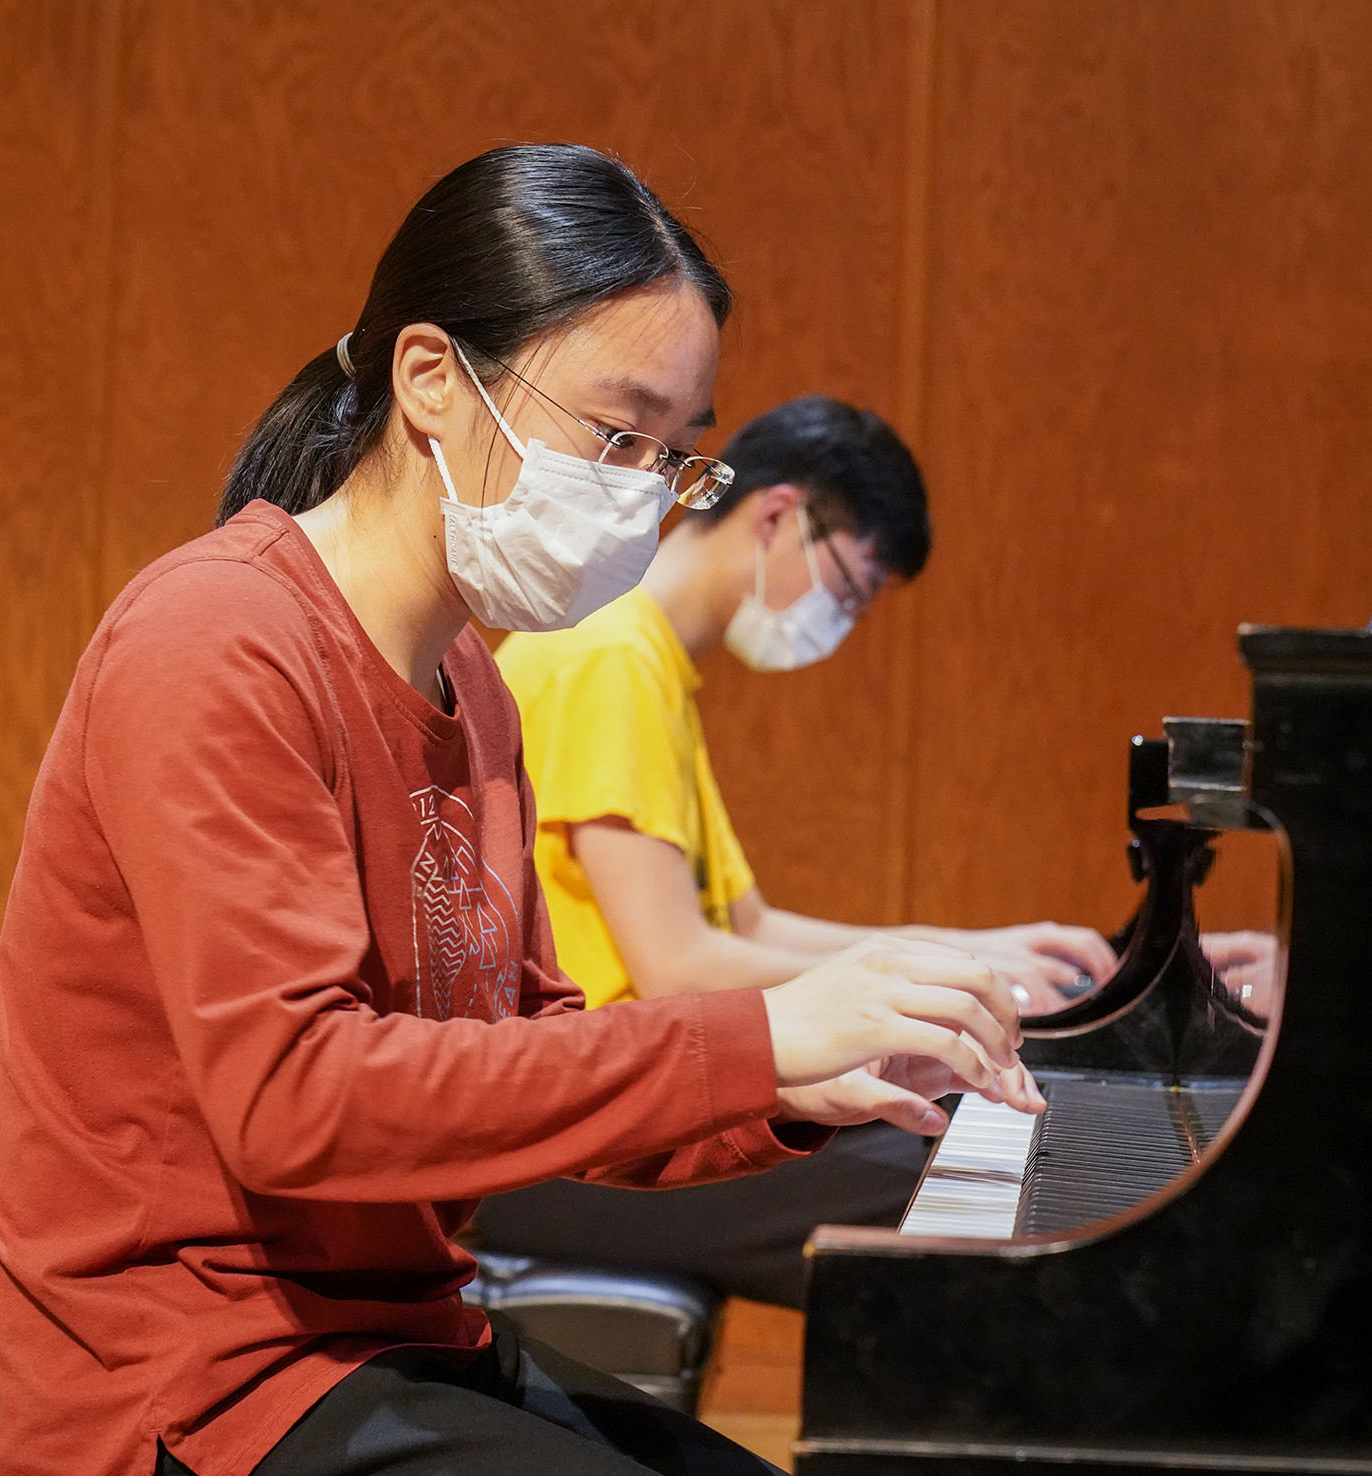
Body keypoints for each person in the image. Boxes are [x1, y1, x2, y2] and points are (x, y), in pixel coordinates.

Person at [0, 143, 1033, 1476]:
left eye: (673, 454)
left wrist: (800, 1086)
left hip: (384, 1348)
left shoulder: (471, 685)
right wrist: (746, 1035)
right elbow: (294, 1100)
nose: (641, 491)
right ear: (431, 380)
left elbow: (522, 1047)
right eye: (617, 432)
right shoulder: (216, 641)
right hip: (187, 1411)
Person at [470, 397, 1134, 1304]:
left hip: (639, 1096)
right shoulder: (606, 657)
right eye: (849, 591)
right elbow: (677, 965)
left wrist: (963, 952)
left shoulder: (645, 658)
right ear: (777, 514)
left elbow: (747, 922)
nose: (842, 623)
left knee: (962, 1140)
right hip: (582, 1134)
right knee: (977, 1189)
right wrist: (928, 977)